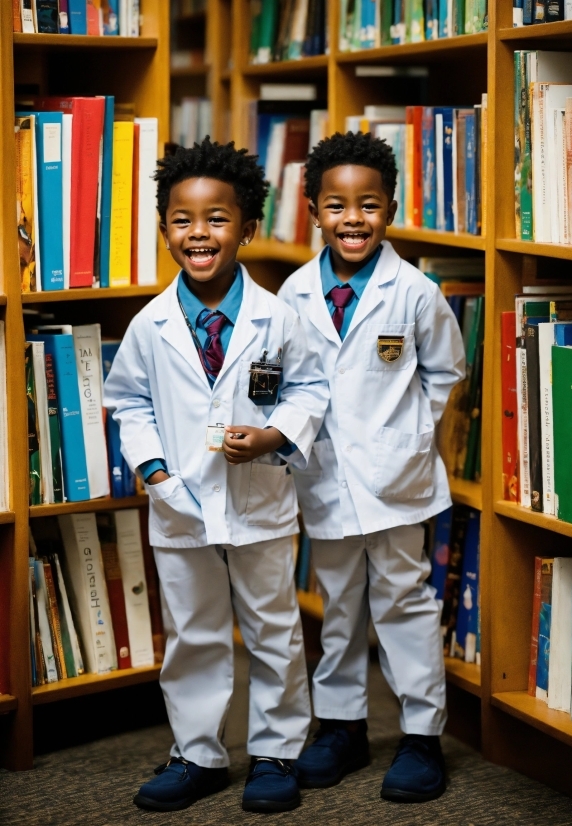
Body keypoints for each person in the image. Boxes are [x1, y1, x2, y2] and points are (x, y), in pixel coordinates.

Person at [103, 138, 329, 814]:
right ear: (165, 228)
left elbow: (311, 389)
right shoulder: (149, 325)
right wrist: (155, 470)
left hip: (258, 501)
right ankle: (197, 753)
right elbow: (128, 402)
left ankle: (275, 754)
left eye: (217, 218)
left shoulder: (278, 318)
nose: (198, 233)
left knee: (273, 629)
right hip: (180, 504)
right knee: (194, 632)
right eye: (182, 219)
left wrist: (272, 435)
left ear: (248, 227)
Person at [278, 131, 466, 803]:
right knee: (338, 608)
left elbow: (446, 371)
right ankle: (342, 729)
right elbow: (281, 377)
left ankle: (421, 736)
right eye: (337, 204)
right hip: (324, 479)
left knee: (404, 603)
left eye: (368, 204)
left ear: (389, 208)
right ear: (313, 210)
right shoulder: (294, 294)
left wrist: (412, 434)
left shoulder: (413, 291)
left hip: (397, 480)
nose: (352, 218)